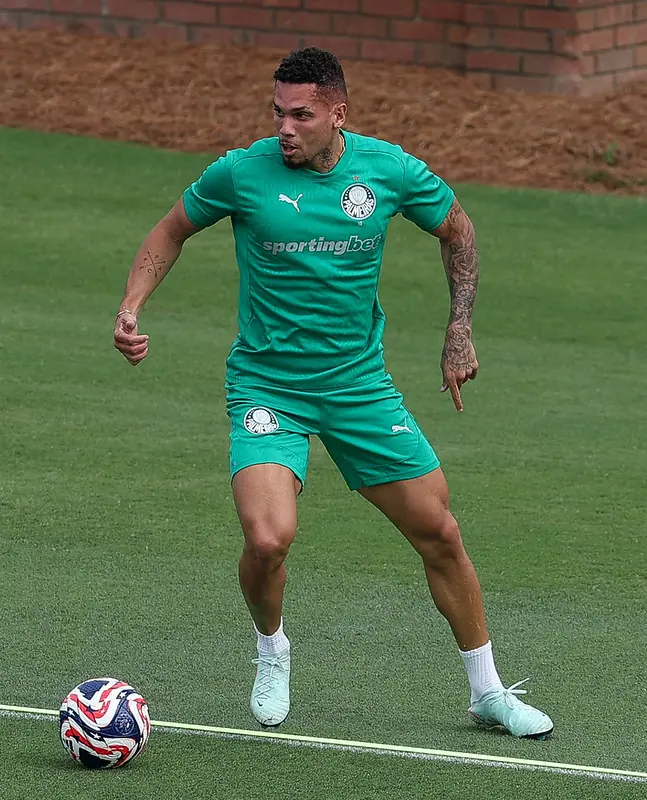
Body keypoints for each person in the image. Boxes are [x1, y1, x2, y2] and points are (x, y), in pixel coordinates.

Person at [114, 47, 553, 739]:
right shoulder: (241, 172)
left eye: (301, 115)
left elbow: (458, 230)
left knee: (439, 532)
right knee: (268, 539)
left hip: (358, 388)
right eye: (277, 113)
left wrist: (459, 329)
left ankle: (488, 693)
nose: (284, 128)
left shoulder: (388, 170)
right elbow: (171, 229)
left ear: (337, 114)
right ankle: (272, 651)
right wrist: (132, 305)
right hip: (268, 386)